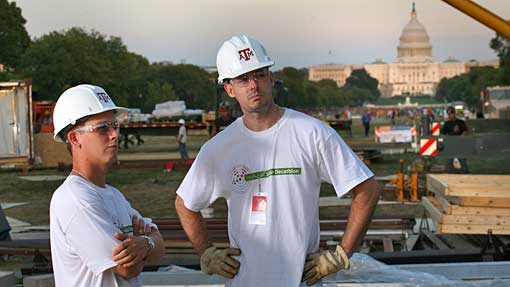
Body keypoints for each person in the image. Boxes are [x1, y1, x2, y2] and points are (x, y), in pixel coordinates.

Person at [175, 35, 380, 287]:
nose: (253, 85)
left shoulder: (311, 133)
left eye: (259, 75)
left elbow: (367, 189)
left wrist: (341, 254)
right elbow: (185, 203)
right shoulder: (219, 148)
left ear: (271, 78)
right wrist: (206, 252)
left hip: (301, 281)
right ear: (229, 89)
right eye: (243, 79)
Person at [50, 84, 164, 287]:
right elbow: (128, 269)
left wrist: (145, 243)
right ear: (75, 138)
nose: (115, 135)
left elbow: (160, 249)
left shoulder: (114, 195)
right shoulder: (75, 199)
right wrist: (145, 243)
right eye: (103, 128)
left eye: (115, 126)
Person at [441, 106, 469, 173]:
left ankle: (465, 172)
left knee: (462, 159)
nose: (450, 115)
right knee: (450, 160)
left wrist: (461, 136)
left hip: (460, 144)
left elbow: (465, 131)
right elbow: (443, 134)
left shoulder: (460, 122)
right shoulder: (447, 124)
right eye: (449, 114)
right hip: (450, 145)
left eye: (451, 114)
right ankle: (449, 172)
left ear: (454, 114)